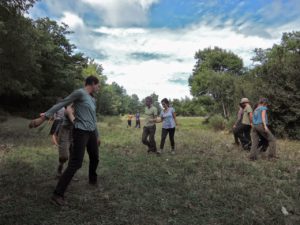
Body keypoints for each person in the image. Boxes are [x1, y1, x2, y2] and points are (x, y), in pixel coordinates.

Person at [29, 75, 101, 206]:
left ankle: (92, 180)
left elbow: (93, 118)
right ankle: (57, 194)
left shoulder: (92, 99)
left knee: (95, 158)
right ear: (92, 83)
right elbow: (61, 104)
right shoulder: (80, 93)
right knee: (76, 163)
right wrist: (44, 117)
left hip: (91, 133)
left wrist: (97, 135)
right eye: (98, 85)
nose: (99, 88)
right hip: (80, 132)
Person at [56, 104, 75, 178]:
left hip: (74, 132)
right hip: (65, 131)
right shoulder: (70, 108)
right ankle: (60, 166)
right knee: (64, 156)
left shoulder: (84, 107)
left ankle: (68, 174)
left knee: (73, 156)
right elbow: (73, 120)